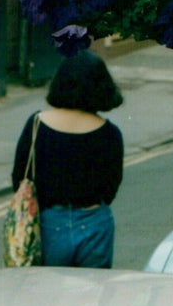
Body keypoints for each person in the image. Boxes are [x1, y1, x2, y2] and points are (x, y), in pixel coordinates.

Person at [11, 48, 124, 267]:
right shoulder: (110, 133)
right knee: (91, 297)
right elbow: (110, 188)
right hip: (94, 224)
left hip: (48, 224)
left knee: (48, 296)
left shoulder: (36, 124)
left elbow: (19, 177)